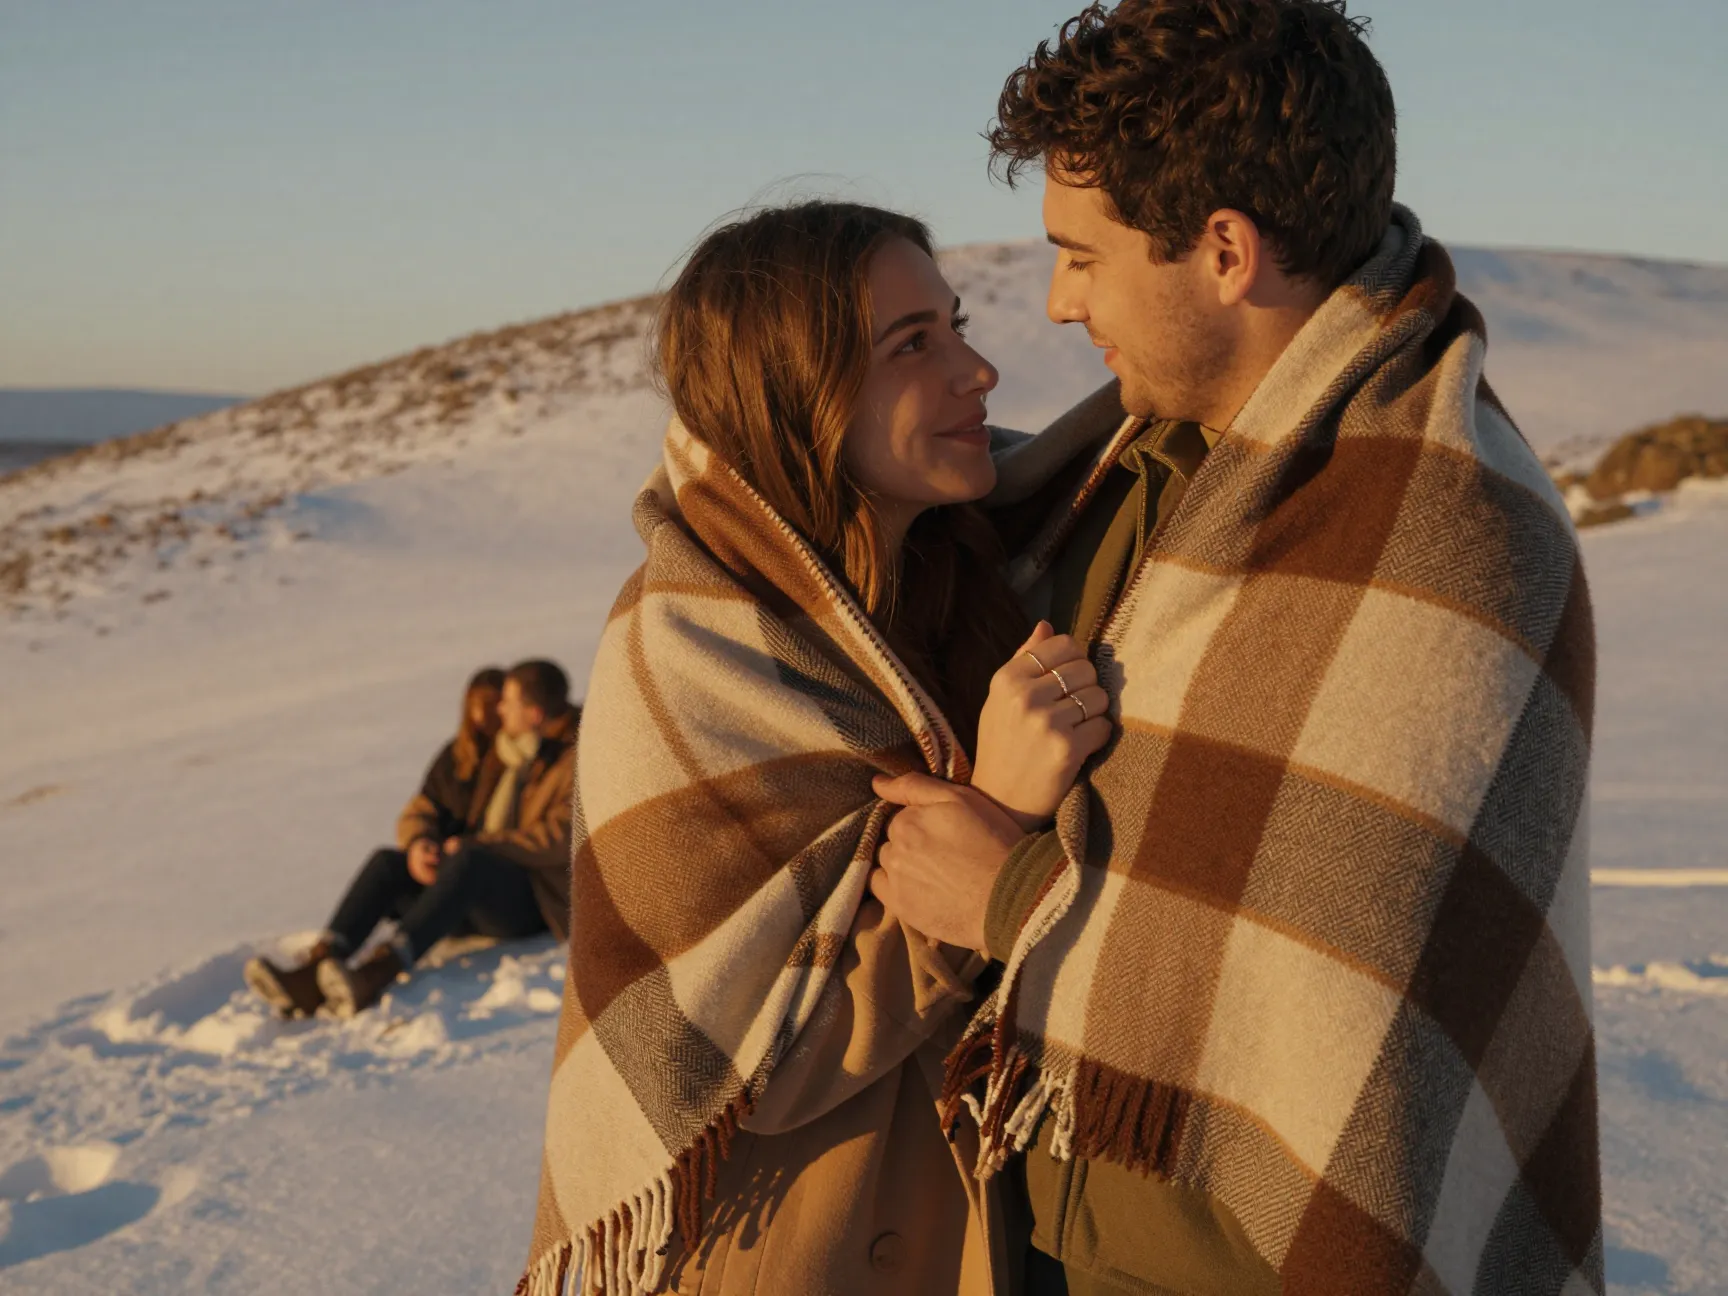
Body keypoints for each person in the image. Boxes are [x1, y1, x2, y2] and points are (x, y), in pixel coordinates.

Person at [871, 3, 1602, 1294]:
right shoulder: (1121, 470)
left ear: (1224, 250)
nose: (1055, 301)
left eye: (1083, 258)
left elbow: (1353, 1013)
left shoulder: (1452, 535)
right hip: (1042, 1226)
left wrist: (1009, 900)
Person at [522, 203, 1115, 1296]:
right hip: (784, 1244)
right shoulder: (690, 640)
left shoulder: (967, 586)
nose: (978, 371)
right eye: (913, 346)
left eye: (957, 324)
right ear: (796, 396)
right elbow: (730, 1065)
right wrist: (998, 815)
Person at [245, 660, 581, 1019]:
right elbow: (428, 806)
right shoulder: (501, 750)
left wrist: (482, 845)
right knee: (389, 863)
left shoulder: (575, 757)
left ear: (533, 713)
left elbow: (562, 836)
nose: (499, 709)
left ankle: (377, 972)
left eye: (507, 701)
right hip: (467, 883)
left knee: (472, 862)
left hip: (532, 900)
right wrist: (421, 842)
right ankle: (317, 966)